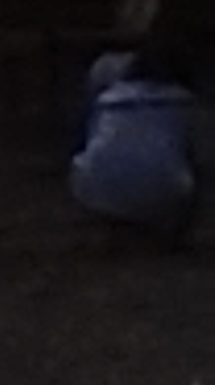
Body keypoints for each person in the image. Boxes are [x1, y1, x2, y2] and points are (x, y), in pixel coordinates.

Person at [72, 41, 199, 247]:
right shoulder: (183, 103)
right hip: (165, 184)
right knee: (188, 161)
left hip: (97, 182)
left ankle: (115, 223)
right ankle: (171, 233)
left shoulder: (107, 99)